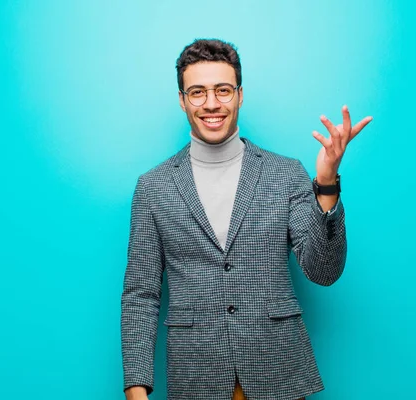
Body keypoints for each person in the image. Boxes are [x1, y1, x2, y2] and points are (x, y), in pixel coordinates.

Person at [121, 39, 372, 400]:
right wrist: (136, 387)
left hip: (279, 373)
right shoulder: (153, 187)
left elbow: (324, 271)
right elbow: (140, 295)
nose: (211, 103)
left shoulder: (286, 173)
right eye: (197, 92)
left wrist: (327, 183)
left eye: (223, 90)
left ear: (240, 95)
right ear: (182, 99)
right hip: (196, 377)